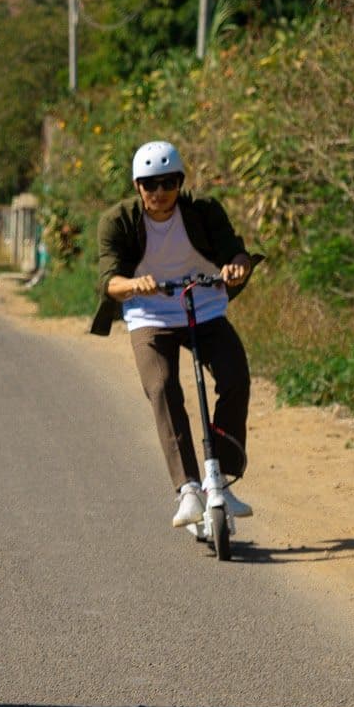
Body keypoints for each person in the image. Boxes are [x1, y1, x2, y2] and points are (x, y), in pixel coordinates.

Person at [91, 140, 256, 527]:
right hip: (149, 313)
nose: (160, 193)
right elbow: (108, 282)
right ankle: (188, 488)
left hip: (205, 305)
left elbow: (238, 252)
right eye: (150, 185)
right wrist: (135, 286)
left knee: (235, 377)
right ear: (137, 186)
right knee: (163, 385)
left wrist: (236, 268)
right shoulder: (117, 221)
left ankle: (222, 478)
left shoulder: (203, 211)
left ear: (180, 182)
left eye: (168, 183)